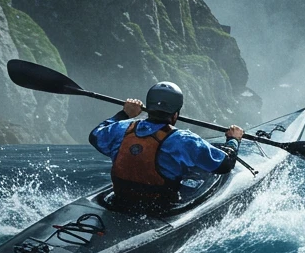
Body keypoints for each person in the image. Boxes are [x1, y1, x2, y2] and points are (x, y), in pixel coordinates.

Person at [89, 80, 245, 208]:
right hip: (160, 208)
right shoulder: (184, 140)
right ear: (176, 113)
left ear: (148, 108)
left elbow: (95, 135)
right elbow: (225, 164)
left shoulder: (121, 128)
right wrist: (233, 139)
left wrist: (125, 114)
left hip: (120, 202)